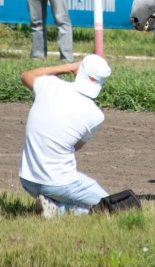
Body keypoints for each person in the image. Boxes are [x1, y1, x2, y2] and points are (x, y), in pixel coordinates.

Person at [19, 55, 112, 218]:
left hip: (27, 178)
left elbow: (26, 76)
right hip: (59, 183)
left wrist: (68, 67)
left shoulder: (48, 85)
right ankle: (61, 209)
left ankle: (53, 205)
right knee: (110, 207)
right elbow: (75, 146)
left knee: (94, 204)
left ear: (78, 71)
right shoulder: (96, 116)